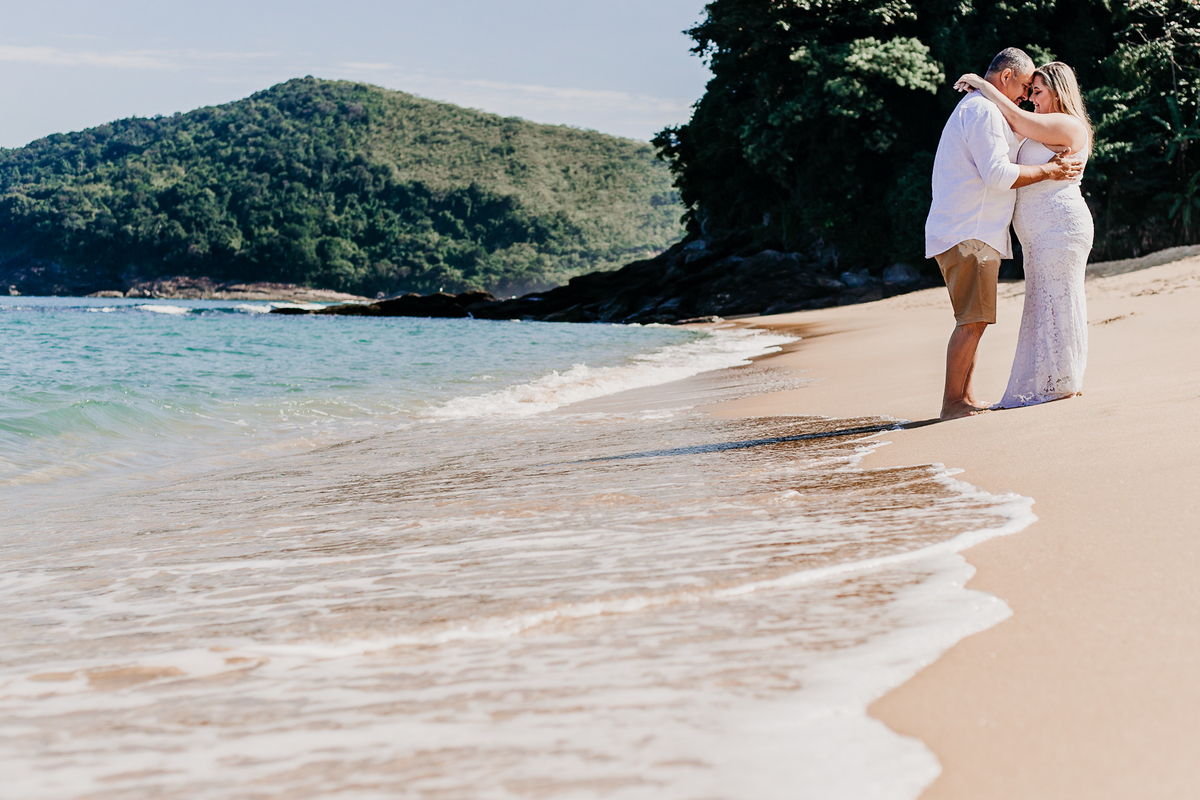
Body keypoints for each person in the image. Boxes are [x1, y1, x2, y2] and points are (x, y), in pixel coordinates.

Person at [925, 48, 1083, 420]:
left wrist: (984, 87)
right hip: (970, 230)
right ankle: (953, 402)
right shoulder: (982, 111)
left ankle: (964, 396)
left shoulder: (985, 108)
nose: (1026, 96)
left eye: (1035, 90)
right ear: (1007, 76)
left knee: (976, 319)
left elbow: (1017, 127)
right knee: (973, 320)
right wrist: (1049, 171)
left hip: (973, 230)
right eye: (1027, 86)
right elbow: (997, 174)